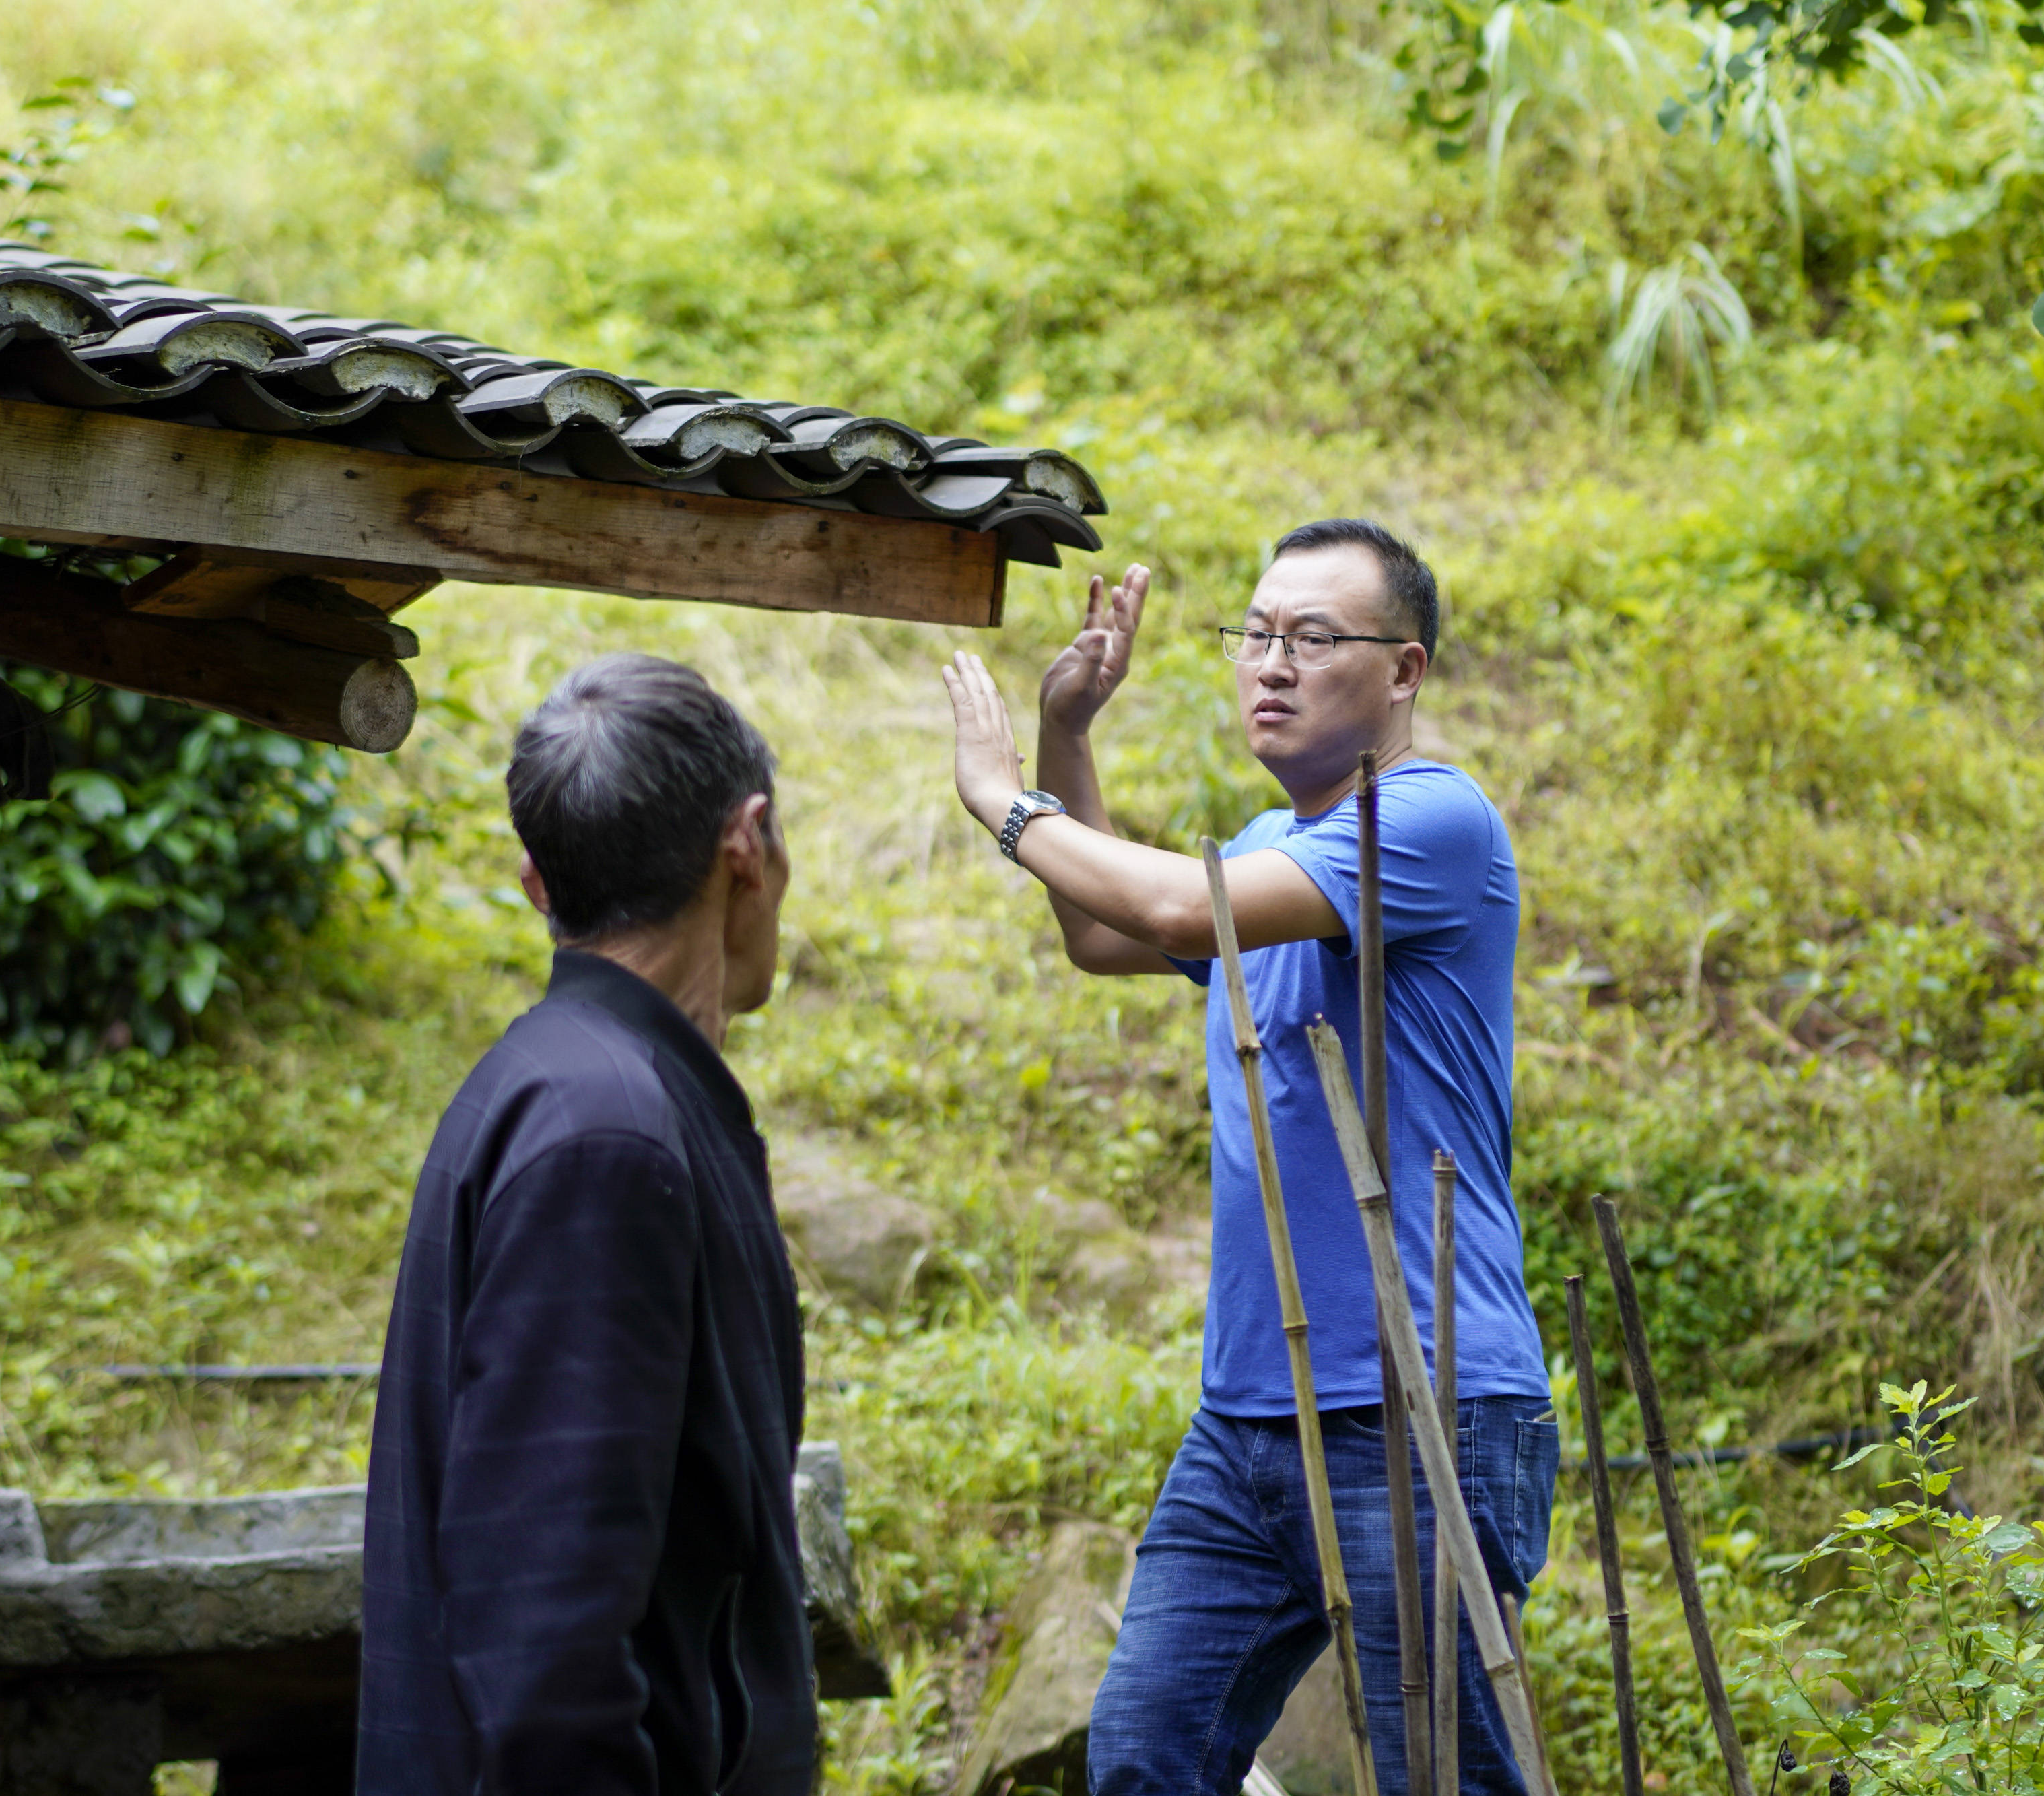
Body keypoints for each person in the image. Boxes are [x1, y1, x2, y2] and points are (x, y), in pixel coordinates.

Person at [939, 519, 1557, 1795]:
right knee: (1144, 1760)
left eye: (1316, 638)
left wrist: (1004, 798)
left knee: (1446, 1776)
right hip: (1248, 1416)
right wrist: (1070, 732)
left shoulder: (1431, 822)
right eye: (1257, 634)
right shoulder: (1269, 855)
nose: (1271, 662)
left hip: (1416, 1402)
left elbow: (1169, 907)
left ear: (1405, 674)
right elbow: (1104, 938)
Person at [357, 653, 814, 1796]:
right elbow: (545, 1648)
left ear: (533, 879)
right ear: (745, 845)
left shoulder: (570, 1087)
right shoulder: (605, 1139)